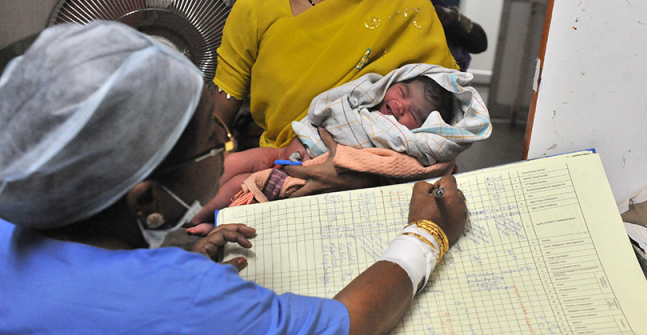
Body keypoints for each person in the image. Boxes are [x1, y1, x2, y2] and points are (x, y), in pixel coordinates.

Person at [0, 22, 468, 335]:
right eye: (212, 135)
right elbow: (351, 322)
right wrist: (426, 235)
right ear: (148, 200)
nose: (227, 134)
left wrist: (164, 249)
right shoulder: (187, 298)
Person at [190, 68, 492, 233]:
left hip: (306, 172)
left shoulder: (400, 139)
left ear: (420, 129)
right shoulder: (363, 99)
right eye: (400, 92)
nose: (399, 105)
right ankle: (189, 204)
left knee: (235, 188)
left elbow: (400, 165)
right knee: (232, 163)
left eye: (412, 114)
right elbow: (330, 106)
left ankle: (199, 219)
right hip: (282, 150)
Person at [212, 0, 461, 196]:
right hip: (281, 168)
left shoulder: (409, 9)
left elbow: (443, 137)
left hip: (384, 192)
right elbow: (216, 122)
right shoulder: (255, 7)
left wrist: (361, 176)